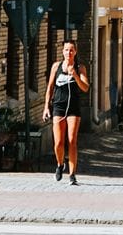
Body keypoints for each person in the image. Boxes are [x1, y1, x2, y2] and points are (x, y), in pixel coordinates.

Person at [43, 39, 89, 185]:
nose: (68, 52)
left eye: (71, 50)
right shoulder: (56, 66)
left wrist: (75, 75)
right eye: (66, 50)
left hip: (74, 108)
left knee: (72, 141)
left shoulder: (80, 68)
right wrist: (46, 107)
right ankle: (59, 164)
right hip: (59, 107)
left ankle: (72, 174)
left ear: (75, 52)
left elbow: (85, 87)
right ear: (62, 51)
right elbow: (50, 88)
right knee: (58, 143)